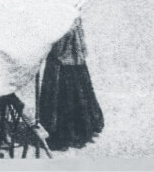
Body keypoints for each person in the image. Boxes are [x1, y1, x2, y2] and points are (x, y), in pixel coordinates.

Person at [38, 18, 104, 150]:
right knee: (76, 91)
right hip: (70, 51)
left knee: (64, 94)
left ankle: (66, 133)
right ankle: (78, 129)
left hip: (63, 56)